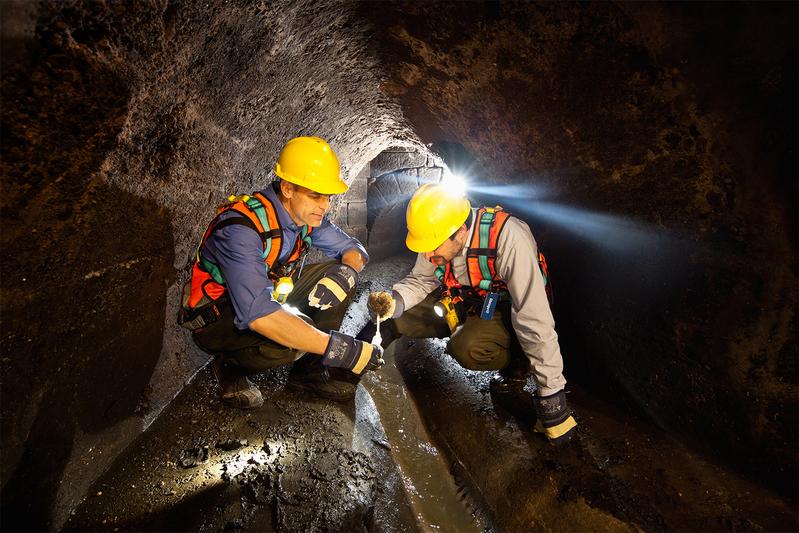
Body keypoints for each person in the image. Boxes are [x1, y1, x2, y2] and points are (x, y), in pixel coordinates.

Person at [359, 183, 576, 444]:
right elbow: (421, 280)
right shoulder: (436, 236)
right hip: (463, 301)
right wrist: (395, 301)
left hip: (503, 310)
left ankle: (517, 362)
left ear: (460, 232)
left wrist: (551, 392)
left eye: (434, 247)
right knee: (400, 316)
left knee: (466, 347)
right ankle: (356, 360)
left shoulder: (509, 238)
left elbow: (533, 316)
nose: (427, 254)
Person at [179, 136, 382, 408]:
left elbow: (355, 250)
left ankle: (308, 373)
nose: (326, 205)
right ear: (287, 188)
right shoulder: (240, 229)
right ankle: (230, 368)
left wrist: (346, 275)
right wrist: (344, 350)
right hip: (218, 318)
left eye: (328, 196)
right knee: (289, 339)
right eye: (316, 195)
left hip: (267, 296)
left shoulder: (306, 217)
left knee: (336, 272)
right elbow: (261, 316)